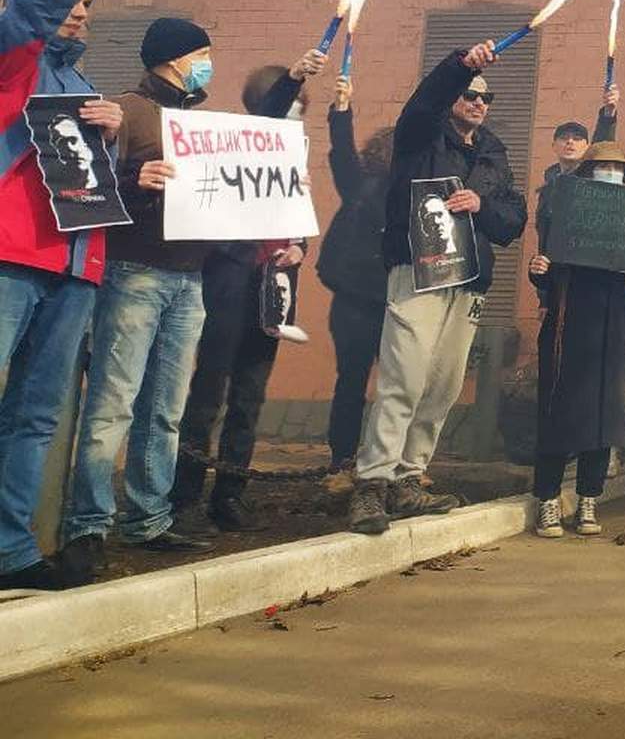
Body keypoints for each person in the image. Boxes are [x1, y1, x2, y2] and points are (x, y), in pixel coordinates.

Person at [0, 0, 148, 591]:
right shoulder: (13, 58)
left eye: (89, 2)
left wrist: (117, 148)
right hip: (11, 256)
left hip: (74, 265)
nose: (80, 8)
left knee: (36, 417)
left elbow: (83, 182)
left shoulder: (84, 85)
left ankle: (12, 550)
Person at [62, 13, 226, 580]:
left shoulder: (199, 123)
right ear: (175, 59)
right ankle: (88, 523)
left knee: (164, 407)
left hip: (189, 277)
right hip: (134, 271)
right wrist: (136, 182)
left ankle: (148, 516)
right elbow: (92, 187)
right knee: (114, 400)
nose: (208, 64)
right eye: (201, 55)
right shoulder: (127, 112)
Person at [347, 43, 527, 536]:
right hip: (419, 271)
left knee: (444, 384)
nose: (478, 103)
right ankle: (372, 482)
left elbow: (513, 217)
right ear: (453, 98)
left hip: (468, 281)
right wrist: (459, 67)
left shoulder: (493, 155)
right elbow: (423, 104)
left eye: (486, 98)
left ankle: (409, 477)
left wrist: (482, 207)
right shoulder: (420, 138)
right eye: (470, 94)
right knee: (404, 376)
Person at [168, 56, 325, 532]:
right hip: (230, 281)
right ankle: (185, 494)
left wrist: (299, 246)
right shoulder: (234, 146)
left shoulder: (295, 156)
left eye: (301, 110)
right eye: (290, 107)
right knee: (209, 390)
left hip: (272, 285)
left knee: (250, 395)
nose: (295, 118)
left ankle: (230, 493)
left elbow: (297, 219)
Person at [527, 140, 625, 539]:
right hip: (567, 328)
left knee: (604, 417)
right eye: (604, 168)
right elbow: (546, 272)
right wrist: (538, 268)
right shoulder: (563, 210)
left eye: (617, 170)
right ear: (586, 175)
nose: (611, 175)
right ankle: (548, 500)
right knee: (557, 413)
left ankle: (588, 499)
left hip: (612, 330)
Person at [317, 76, 393, 475]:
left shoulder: (414, 192)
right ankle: (344, 457)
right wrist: (341, 110)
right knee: (358, 381)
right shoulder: (362, 185)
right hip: (359, 299)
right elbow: (342, 152)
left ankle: (365, 457)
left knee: (375, 383)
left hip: (383, 299)